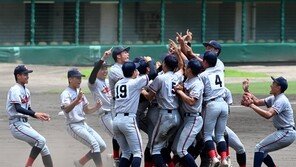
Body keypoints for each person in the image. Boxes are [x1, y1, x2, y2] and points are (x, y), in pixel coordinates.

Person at [242, 76, 296, 167]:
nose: (271, 86)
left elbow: (268, 115)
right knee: (263, 151)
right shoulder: (275, 97)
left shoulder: (281, 100)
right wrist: (247, 91)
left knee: (259, 148)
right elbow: (258, 102)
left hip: (287, 133)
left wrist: (251, 105)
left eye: (273, 84)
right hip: (284, 132)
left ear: (278, 88)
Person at [6, 64, 53, 167]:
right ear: (18, 76)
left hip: (24, 124)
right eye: (25, 74)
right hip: (16, 124)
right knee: (41, 140)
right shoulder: (15, 89)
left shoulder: (26, 91)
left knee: (44, 148)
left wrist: (39, 115)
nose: (27, 76)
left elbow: (28, 109)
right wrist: (35, 114)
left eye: (28, 74)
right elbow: (18, 108)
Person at [60, 68, 106, 167]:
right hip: (73, 126)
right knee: (95, 145)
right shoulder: (65, 93)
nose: (80, 80)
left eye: (80, 78)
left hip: (83, 124)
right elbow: (66, 109)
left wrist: (96, 107)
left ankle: (80, 163)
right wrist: (77, 100)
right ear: (70, 79)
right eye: (77, 78)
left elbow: (86, 110)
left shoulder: (79, 92)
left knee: (102, 146)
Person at [88, 48, 121, 167]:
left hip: (114, 113)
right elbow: (92, 75)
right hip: (105, 116)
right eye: (102, 68)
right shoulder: (93, 83)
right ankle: (116, 160)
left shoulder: (108, 81)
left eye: (106, 68)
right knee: (119, 136)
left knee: (121, 136)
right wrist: (103, 59)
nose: (104, 70)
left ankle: (113, 157)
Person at [113, 61, 149, 167]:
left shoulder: (118, 84)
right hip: (128, 121)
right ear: (133, 72)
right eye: (136, 70)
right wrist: (149, 62)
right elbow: (151, 75)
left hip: (116, 121)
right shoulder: (135, 83)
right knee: (138, 153)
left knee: (126, 153)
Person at [172, 59, 204, 167]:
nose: (185, 68)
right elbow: (185, 88)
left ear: (189, 70)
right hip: (187, 119)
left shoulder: (197, 83)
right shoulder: (189, 80)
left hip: (194, 119)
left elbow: (191, 101)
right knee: (175, 148)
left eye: (186, 67)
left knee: (181, 150)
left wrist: (180, 91)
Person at [199, 51, 229, 167]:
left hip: (212, 105)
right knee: (220, 136)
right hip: (223, 104)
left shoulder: (203, 75)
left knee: (207, 135)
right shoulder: (220, 71)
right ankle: (224, 159)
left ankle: (214, 158)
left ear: (205, 62)